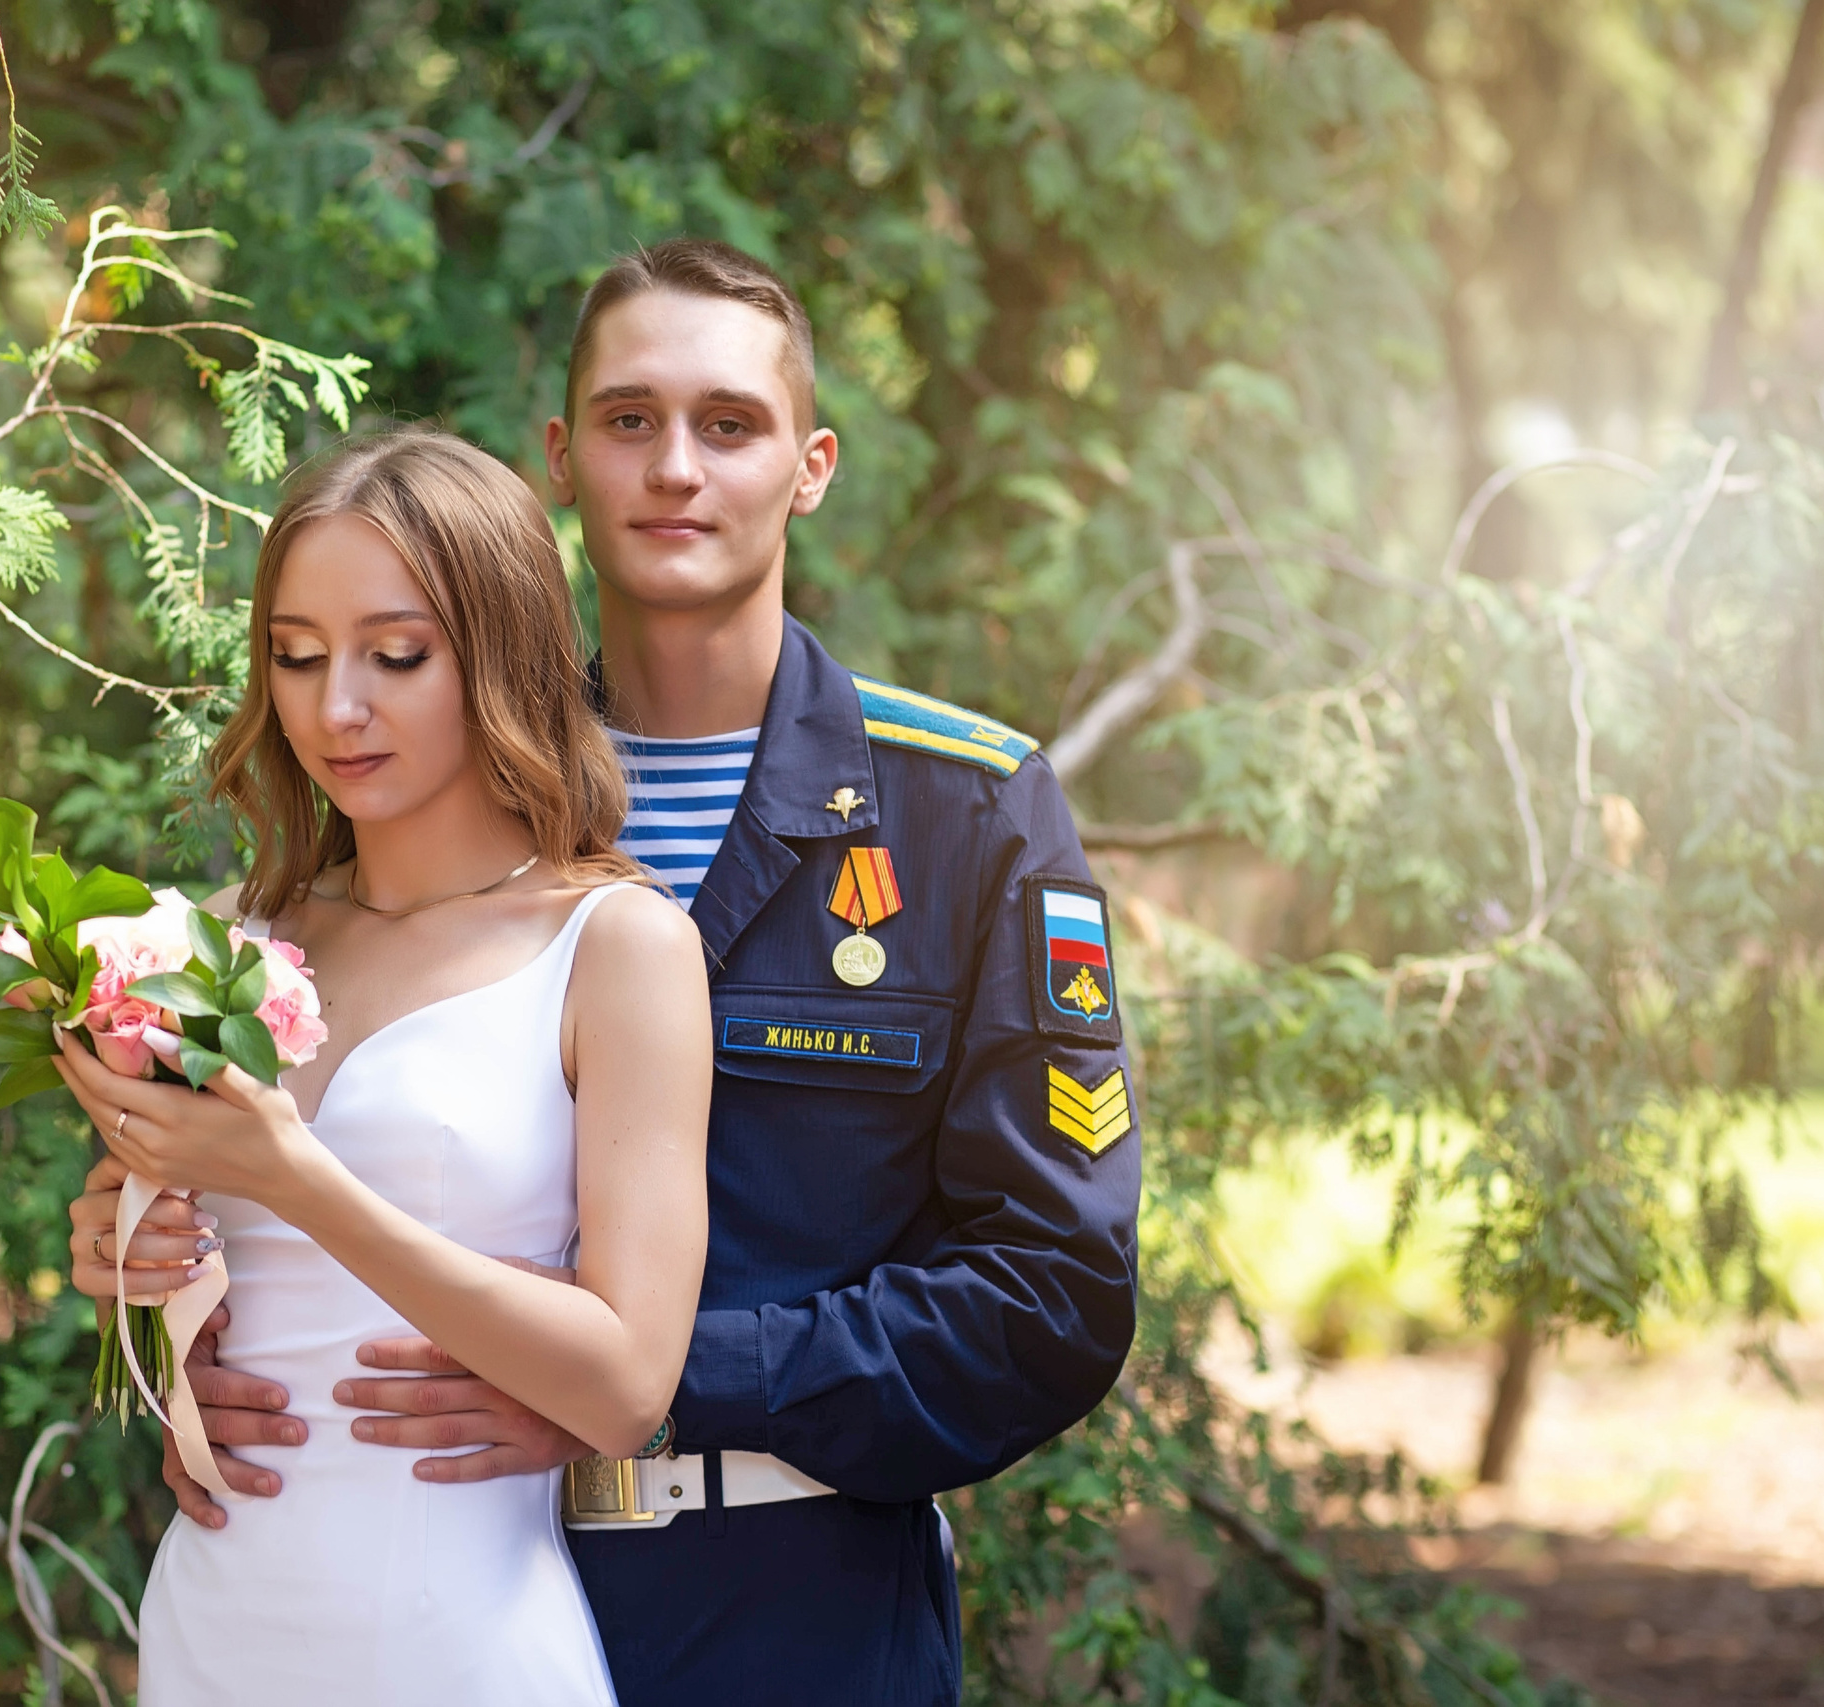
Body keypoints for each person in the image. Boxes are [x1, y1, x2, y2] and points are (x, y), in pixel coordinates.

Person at [75, 239, 1141, 1704]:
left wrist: (650, 1386)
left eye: (730, 423)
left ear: (811, 466)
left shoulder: (965, 811)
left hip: (787, 1615)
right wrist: (180, 1300)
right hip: (418, 1595)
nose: (675, 468)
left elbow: (1054, 1292)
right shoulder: (424, 771)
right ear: (562, 457)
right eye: (630, 419)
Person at [49, 428, 712, 1706]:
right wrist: (127, 1265)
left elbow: (629, 1388)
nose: (333, 708)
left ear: (501, 652)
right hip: (216, 1624)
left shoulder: (616, 947)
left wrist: (295, 1181)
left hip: (458, 1640)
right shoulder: (217, 942)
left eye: (395, 655)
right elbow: (198, 1306)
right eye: (296, 656)